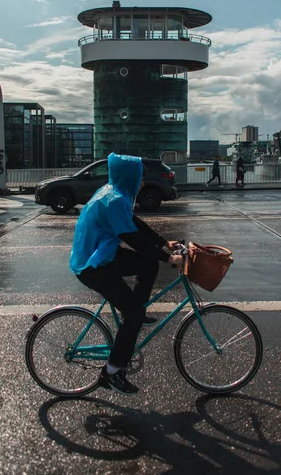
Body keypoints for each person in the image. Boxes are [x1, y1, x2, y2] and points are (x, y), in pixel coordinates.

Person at [70, 153, 183, 396]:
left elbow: (136, 224)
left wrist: (165, 242)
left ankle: (136, 314)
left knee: (147, 264)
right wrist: (168, 258)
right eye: (140, 178)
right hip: (94, 265)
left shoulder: (115, 193)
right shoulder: (113, 199)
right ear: (129, 177)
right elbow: (132, 238)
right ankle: (112, 372)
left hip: (103, 255)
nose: (142, 183)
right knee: (133, 311)